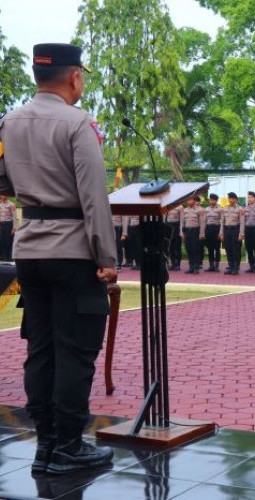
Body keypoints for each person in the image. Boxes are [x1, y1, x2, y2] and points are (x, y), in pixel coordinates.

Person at [0, 43, 116, 473]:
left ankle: (45, 446)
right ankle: (68, 445)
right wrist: (106, 256)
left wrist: (36, 193)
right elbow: (93, 195)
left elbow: (2, 181)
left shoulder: (8, 121)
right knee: (76, 350)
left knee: (41, 349)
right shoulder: (77, 123)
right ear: (74, 77)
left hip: (29, 249)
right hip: (72, 252)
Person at [222, 192, 245, 275]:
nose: (230, 200)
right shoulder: (225, 208)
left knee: (236, 249)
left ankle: (236, 267)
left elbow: (242, 222)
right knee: (228, 249)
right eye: (229, 198)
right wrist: (222, 233)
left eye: (232, 198)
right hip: (227, 230)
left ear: (236, 199)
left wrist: (241, 234)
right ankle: (230, 266)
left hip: (235, 230)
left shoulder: (240, 209)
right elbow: (222, 222)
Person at [182, 196, 205, 274]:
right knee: (188, 249)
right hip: (187, 231)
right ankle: (191, 266)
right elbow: (183, 223)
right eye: (188, 200)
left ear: (194, 201)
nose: (189, 201)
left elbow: (202, 223)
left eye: (191, 200)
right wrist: (182, 232)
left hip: (195, 231)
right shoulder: (184, 210)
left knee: (195, 249)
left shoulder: (200, 210)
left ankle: (196, 267)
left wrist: (201, 234)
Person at [204, 193, 223, 272]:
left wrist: (221, 232)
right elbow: (204, 221)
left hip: (217, 228)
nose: (211, 201)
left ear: (216, 200)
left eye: (213, 200)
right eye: (210, 199)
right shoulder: (206, 209)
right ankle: (211, 265)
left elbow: (222, 221)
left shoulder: (220, 209)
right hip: (208, 229)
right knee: (210, 248)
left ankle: (217, 265)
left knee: (217, 248)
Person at [165, 203, 184, 271]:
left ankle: (177, 264)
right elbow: (165, 218)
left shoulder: (180, 207)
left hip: (176, 226)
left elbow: (182, 220)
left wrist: (181, 231)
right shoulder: (167, 205)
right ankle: (172, 263)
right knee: (170, 248)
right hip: (168, 226)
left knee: (177, 247)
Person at [0, 195, 17, 261]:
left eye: (3, 195)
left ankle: (9, 257)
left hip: (8, 224)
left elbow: (14, 217)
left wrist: (14, 228)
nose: (1, 196)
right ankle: (3, 257)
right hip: (1, 224)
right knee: (1, 241)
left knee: (8, 241)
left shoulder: (11, 205)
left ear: (7, 196)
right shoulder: (0, 204)